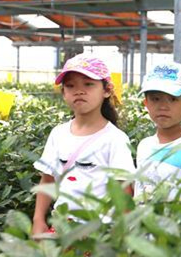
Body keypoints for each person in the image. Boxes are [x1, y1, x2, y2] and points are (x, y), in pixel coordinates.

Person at [32, 54, 135, 237]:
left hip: (98, 233)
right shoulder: (58, 133)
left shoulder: (115, 139)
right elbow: (48, 180)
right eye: (71, 86)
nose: (79, 91)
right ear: (64, 93)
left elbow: (124, 190)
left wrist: (121, 237)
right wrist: (38, 220)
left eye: (88, 84)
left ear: (107, 90)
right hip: (62, 228)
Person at [135, 61, 181, 205]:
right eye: (155, 99)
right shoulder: (144, 146)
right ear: (146, 104)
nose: (163, 106)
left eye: (173, 99)